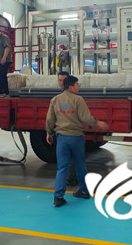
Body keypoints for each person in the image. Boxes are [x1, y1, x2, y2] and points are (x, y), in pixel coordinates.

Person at [46, 75, 109, 207]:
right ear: (70, 87)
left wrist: (49, 133)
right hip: (76, 138)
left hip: (62, 138)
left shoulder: (55, 100)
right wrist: (98, 123)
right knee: (80, 164)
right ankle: (84, 191)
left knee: (62, 167)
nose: (78, 86)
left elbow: (50, 120)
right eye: (76, 84)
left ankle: (58, 196)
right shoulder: (78, 100)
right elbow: (86, 117)